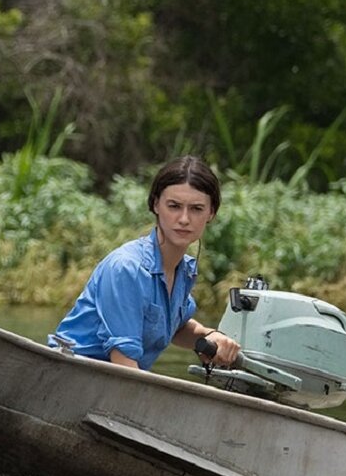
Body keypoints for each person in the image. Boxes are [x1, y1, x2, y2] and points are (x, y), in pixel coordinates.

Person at [49, 156, 240, 371]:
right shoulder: (126, 268)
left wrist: (208, 335)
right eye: (174, 206)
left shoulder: (184, 270)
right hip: (69, 374)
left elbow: (174, 327)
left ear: (211, 213)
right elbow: (124, 365)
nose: (184, 219)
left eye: (196, 208)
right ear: (155, 204)